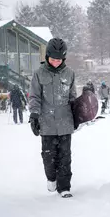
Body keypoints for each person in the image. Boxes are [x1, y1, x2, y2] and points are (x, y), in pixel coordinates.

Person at [28, 38, 76, 198]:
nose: (56, 62)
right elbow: (34, 96)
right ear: (48, 56)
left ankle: (64, 187)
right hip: (47, 124)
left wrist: (78, 114)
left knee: (65, 157)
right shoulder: (39, 73)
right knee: (49, 157)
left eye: (59, 59)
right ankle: (51, 178)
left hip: (65, 123)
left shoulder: (70, 74)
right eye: (53, 59)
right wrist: (34, 115)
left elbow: (72, 97)